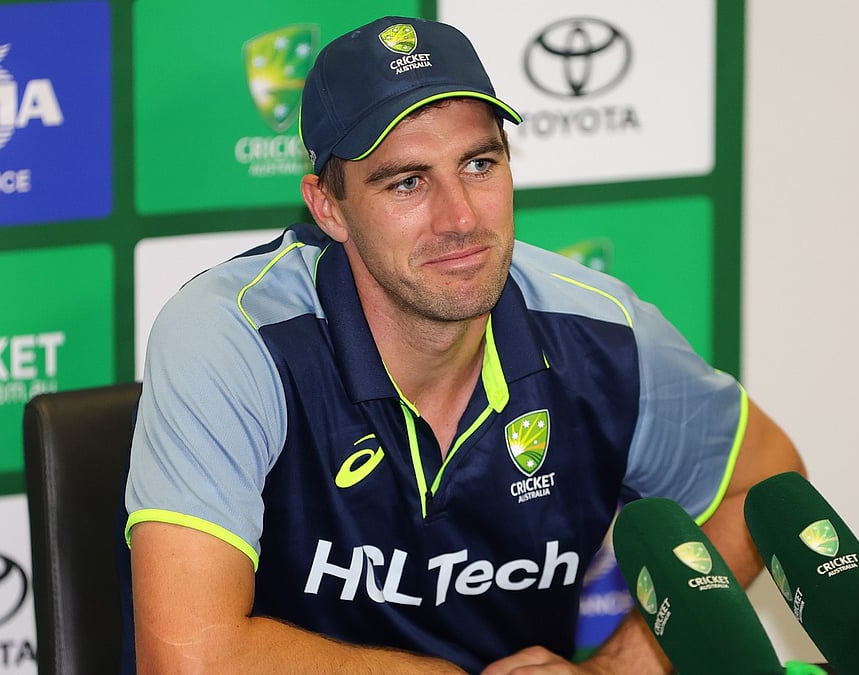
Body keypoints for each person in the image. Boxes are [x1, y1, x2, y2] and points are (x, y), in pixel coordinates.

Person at [125, 15, 804, 674]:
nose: (460, 217)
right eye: (408, 182)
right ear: (328, 207)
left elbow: (764, 488)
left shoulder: (601, 333)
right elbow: (188, 659)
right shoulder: (234, 336)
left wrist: (618, 667)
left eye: (479, 164)